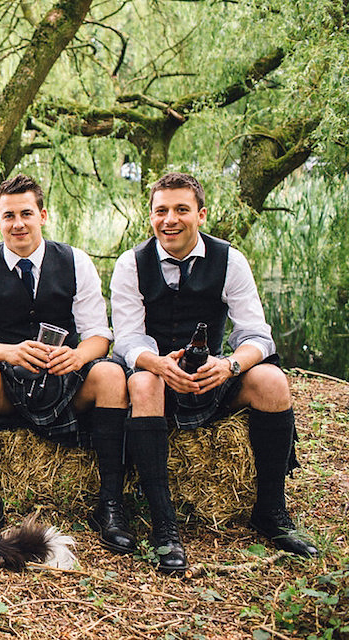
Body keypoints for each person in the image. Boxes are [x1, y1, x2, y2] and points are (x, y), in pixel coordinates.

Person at [110, 171, 318, 574]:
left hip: (214, 376)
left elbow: (258, 334)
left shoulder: (229, 259)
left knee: (272, 380)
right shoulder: (131, 263)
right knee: (141, 379)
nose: (169, 219)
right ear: (151, 217)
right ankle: (164, 526)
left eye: (181, 210)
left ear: (201, 215)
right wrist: (158, 364)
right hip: (159, 376)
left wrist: (229, 365)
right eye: (161, 211)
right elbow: (128, 337)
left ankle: (270, 512)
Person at [0, 174, 130, 540]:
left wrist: (79, 357)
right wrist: (9, 352)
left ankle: (111, 506)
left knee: (113, 375)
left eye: (26, 214)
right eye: (9, 216)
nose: (18, 224)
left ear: (43, 215)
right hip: (8, 383)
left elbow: (100, 334)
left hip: (67, 384)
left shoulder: (75, 261)